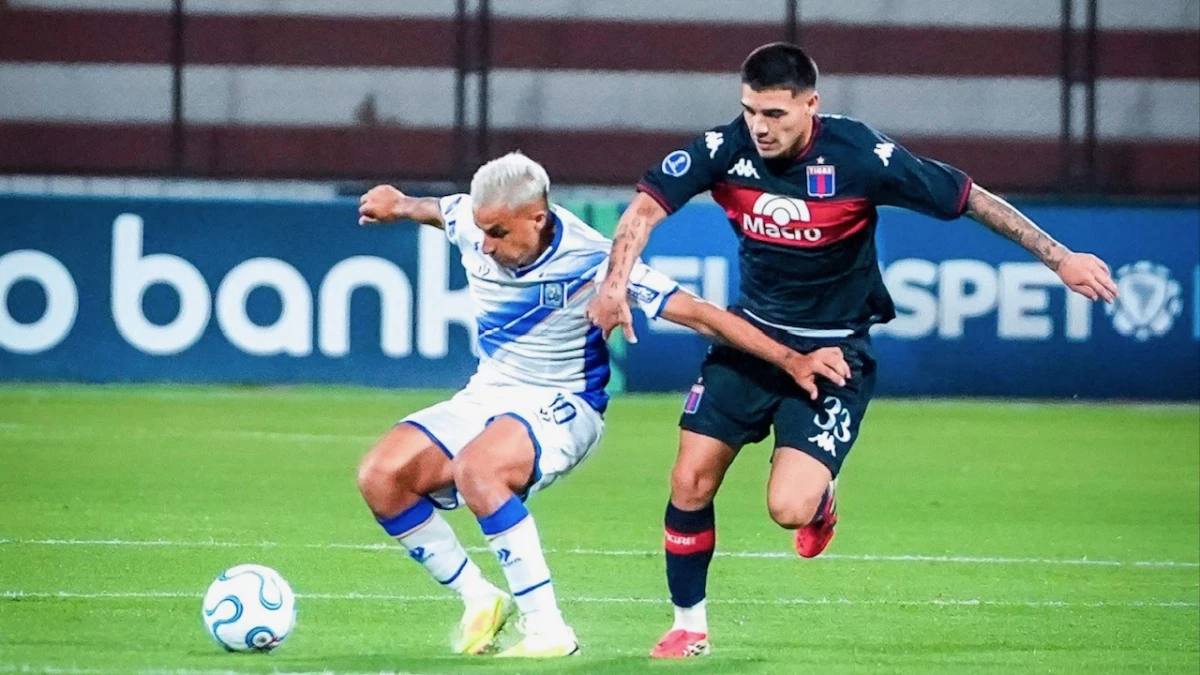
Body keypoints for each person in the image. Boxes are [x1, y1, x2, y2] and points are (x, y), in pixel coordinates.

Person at [585, 42, 1120, 659]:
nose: (759, 127)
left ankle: (821, 496)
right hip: (752, 339)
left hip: (835, 351)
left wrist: (1059, 257)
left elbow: (968, 197)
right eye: (750, 111)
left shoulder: (860, 155)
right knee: (689, 477)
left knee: (788, 509)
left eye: (775, 114)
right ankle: (689, 625)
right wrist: (614, 285)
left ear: (811, 105)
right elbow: (644, 210)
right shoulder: (724, 148)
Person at [354, 151, 851, 658]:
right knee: (381, 475)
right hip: (488, 393)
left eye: (498, 233)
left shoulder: (596, 261)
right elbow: (440, 211)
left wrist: (791, 359)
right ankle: (480, 597)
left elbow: (701, 315)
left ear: (537, 218)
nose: (485, 244)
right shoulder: (475, 220)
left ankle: (548, 630)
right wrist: (399, 204)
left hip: (565, 405)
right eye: (481, 231)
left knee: (478, 469)